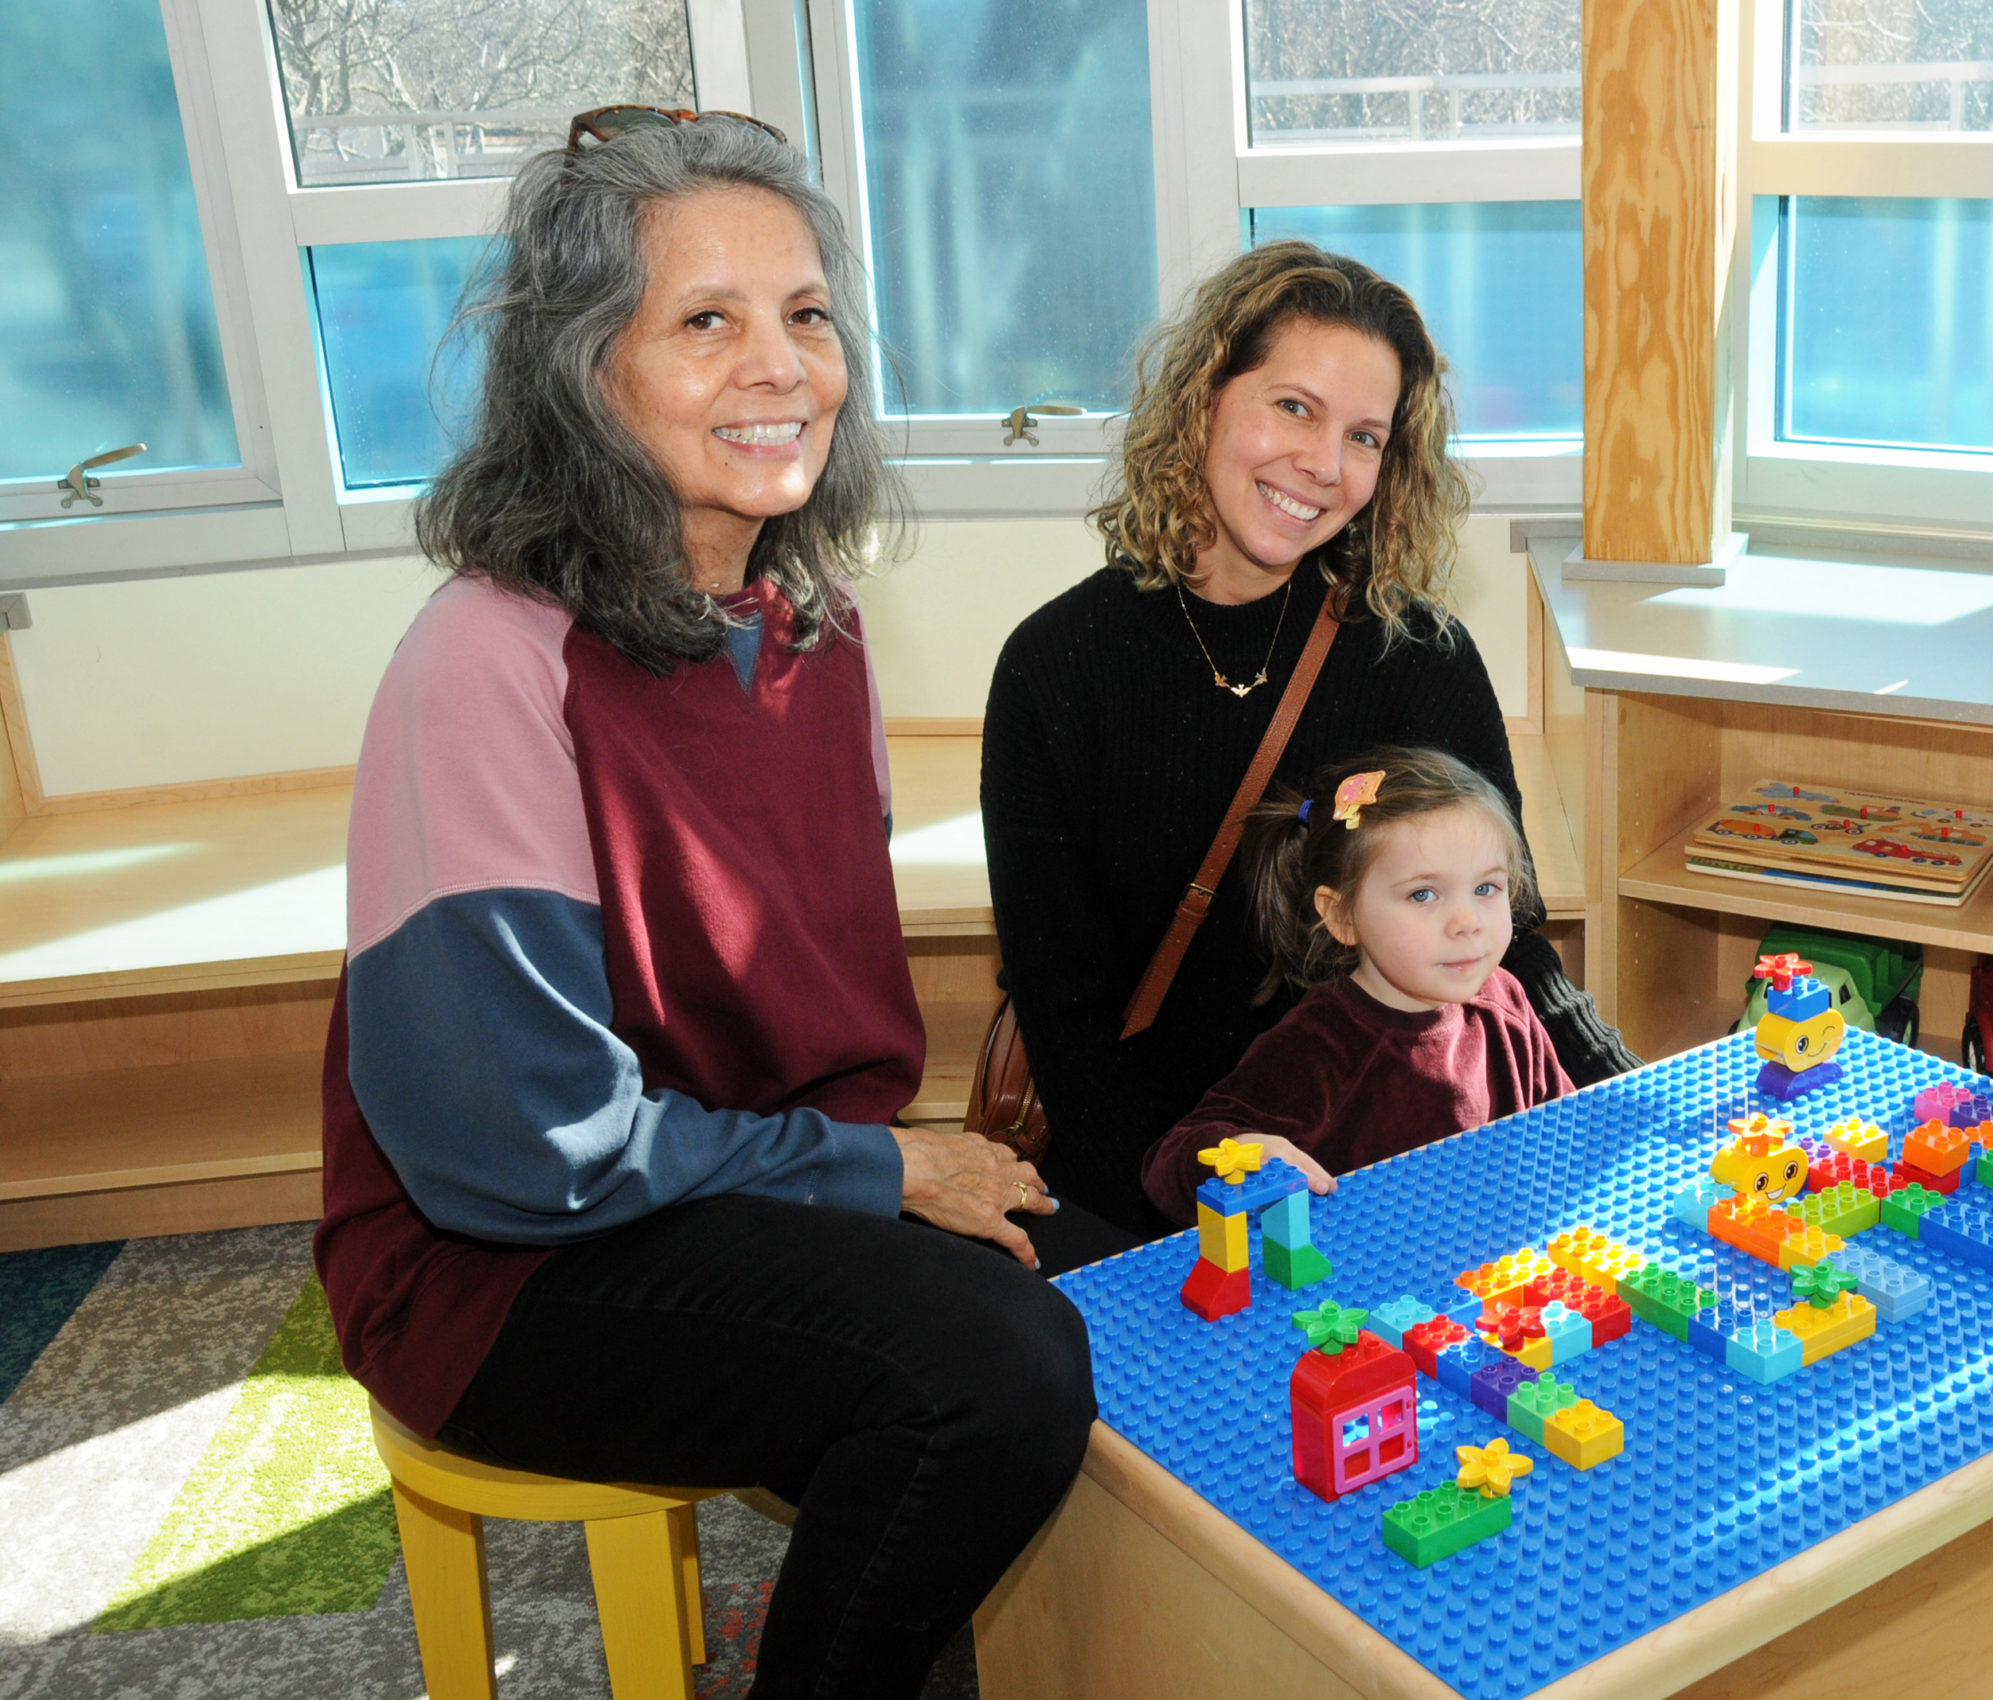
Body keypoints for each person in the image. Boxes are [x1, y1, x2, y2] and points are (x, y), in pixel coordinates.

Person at [313, 111, 1101, 1700]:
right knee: (985, 1375)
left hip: (734, 1187)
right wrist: (874, 1171)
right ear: (584, 372)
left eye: (806, 314)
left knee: (1130, 1283)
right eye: (705, 321)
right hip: (504, 1267)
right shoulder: (486, 658)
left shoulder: (817, 625)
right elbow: (518, 1151)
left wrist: (877, 1174)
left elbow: (801, 1020)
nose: (781, 365)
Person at [983, 241, 1638, 1237]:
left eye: (1365, 436)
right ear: (1204, 396)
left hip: (1393, 1172)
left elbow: (1514, 938)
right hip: (1160, 1186)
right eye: (1293, 406)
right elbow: (1065, 1016)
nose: (1324, 466)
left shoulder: (1418, 654)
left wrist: (1626, 1095)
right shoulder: (1055, 667)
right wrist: (1196, 1214)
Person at [1138, 748, 1571, 1222]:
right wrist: (1245, 1152)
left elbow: (1566, 1133)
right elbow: (1169, 1161)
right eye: (1423, 894)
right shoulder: (1317, 1046)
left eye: (1486, 888)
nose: (1467, 921)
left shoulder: (1504, 1000)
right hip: (1357, 1291)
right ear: (1341, 916)